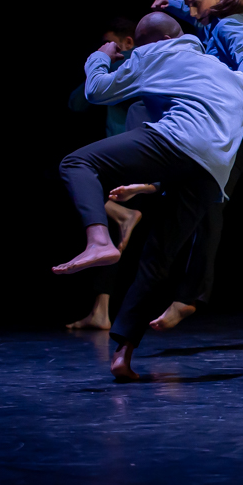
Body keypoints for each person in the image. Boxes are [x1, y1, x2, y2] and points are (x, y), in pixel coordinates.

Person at [54, 12, 243, 379]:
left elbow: (97, 91)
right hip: (211, 172)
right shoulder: (231, 77)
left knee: (77, 163)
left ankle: (98, 239)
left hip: (174, 142)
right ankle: (123, 354)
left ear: (148, 42)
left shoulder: (154, 54)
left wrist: (101, 55)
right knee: (159, 256)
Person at [149, 0, 243, 328]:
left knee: (209, 203)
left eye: (195, 4)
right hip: (220, 128)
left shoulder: (233, 27)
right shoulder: (214, 20)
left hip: (236, 131)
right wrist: (175, 5)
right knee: (202, 201)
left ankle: (189, 295)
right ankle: (187, 293)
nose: (192, 13)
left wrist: (236, 88)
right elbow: (194, 10)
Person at [65, 18, 143, 331]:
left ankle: (124, 214)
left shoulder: (134, 66)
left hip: (135, 154)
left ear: (127, 42)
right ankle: (101, 311)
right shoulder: (113, 72)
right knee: (111, 243)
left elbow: (98, 95)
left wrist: (104, 59)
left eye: (112, 43)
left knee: (74, 174)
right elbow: (77, 103)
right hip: (118, 155)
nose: (106, 49)